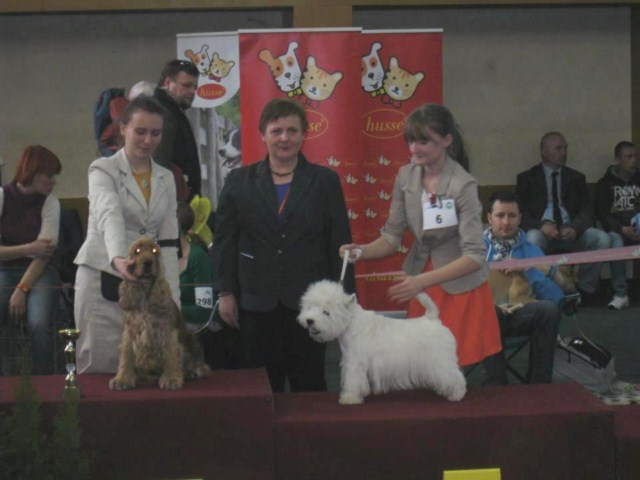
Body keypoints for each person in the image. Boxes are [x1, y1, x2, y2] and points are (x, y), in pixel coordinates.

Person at [340, 103, 502, 379]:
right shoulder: (406, 177)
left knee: (448, 369)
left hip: (457, 286)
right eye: (411, 141)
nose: (414, 148)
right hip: (422, 284)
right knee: (422, 366)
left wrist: (421, 281)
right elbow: (391, 237)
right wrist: (360, 252)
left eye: (423, 141)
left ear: (447, 141)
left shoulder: (463, 185)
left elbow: (475, 256)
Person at [212, 98, 353, 392]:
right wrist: (225, 292)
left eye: (292, 130)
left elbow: (339, 244)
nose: (284, 138)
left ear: (304, 134)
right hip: (255, 302)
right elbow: (225, 241)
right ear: (263, 135)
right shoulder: (238, 181)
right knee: (262, 390)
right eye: (276, 131)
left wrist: (345, 299)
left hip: (310, 304)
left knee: (310, 386)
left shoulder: (325, 181)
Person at [74, 95, 180, 374]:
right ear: (123, 129)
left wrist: (173, 301)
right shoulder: (102, 169)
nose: (148, 140)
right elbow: (110, 215)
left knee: (147, 370)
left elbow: (168, 243)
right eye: (140, 132)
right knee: (102, 366)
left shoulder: (166, 177)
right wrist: (119, 258)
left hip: (148, 287)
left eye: (155, 133)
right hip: (103, 276)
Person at [516, 132, 610, 302]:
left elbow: (587, 210)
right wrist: (541, 225)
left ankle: (584, 289)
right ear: (544, 151)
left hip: (571, 231)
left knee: (602, 239)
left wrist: (575, 228)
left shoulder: (576, 178)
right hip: (543, 232)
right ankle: (542, 290)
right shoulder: (527, 178)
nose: (564, 152)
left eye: (565, 148)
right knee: (532, 238)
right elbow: (521, 213)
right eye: (558, 148)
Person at [484, 190, 563, 384]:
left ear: (520, 218)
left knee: (549, 310)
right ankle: (498, 388)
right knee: (490, 312)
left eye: (512, 216)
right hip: (484, 319)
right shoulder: (474, 249)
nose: (506, 222)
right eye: (500, 215)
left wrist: (527, 268)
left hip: (519, 315)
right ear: (489, 218)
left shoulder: (532, 250)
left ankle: (538, 386)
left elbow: (556, 297)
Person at [0, 145, 61, 375]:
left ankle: (43, 380)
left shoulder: (50, 203)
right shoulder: (2, 196)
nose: (53, 182)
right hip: (5, 269)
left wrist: (21, 289)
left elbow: (43, 256)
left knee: (39, 322)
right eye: (48, 176)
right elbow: (36, 249)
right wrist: (29, 248)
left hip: (40, 271)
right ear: (33, 173)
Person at [177, 200, 243, 370]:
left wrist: (170, 309)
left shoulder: (197, 257)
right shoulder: (154, 258)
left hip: (197, 331)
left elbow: (203, 310)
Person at [594, 141, 640, 310]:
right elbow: (603, 214)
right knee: (615, 241)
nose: (633, 160)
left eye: (635, 156)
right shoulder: (604, 184)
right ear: (618, 159)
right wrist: (622, 229)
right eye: (629, 157)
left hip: (639, 226)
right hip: (617, 230)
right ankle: (621, 294)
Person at [153, 59, 201, 199]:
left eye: (195, 87)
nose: (192, 92)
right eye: (186, 85)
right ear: (168, 82)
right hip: (172, 201)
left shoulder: (171, 112)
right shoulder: (163, 114)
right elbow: (160, 164)